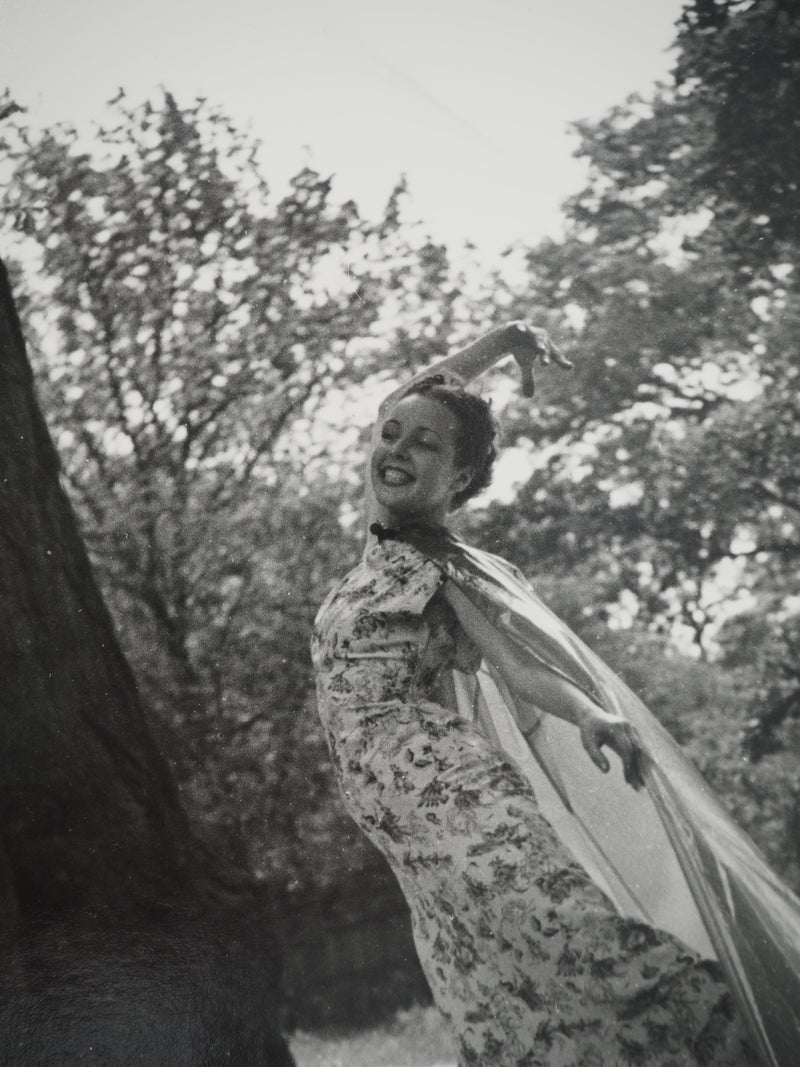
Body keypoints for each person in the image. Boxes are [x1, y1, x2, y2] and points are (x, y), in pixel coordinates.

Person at [311, 322, 800, 1066]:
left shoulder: (445, 568)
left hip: (458, 803)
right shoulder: (378, 542)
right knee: (486, 993)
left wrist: (591, 711)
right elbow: (406, 398)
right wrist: (503, 341)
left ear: (461, 480)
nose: (398, 449)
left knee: (573, 941)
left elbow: (520, 670)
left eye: (426, 446)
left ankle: (734, 1032)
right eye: (391, 435)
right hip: (412, 840)